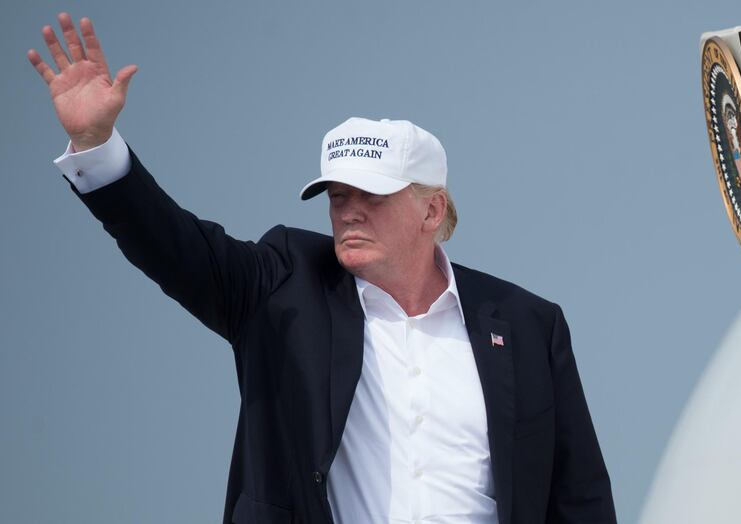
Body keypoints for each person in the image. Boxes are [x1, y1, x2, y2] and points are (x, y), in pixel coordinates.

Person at [28, 13, 617, 524]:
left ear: (431, 209)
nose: (349, 213)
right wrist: (99, 147)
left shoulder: (527, 325)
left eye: (372, 197)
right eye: (337, 196)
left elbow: (580, 498)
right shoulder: (283, 286)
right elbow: (176, 247)